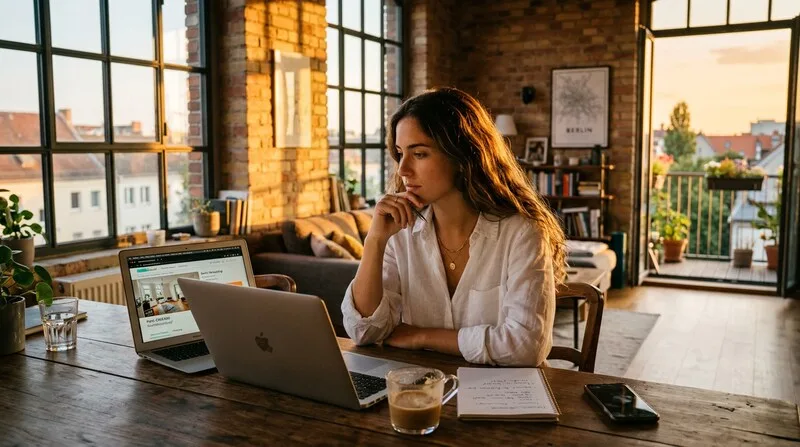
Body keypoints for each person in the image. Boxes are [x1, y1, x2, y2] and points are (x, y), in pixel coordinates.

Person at [341, 87, 566, 366]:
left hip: (503, 396)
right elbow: (363, 330)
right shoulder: (400, 233)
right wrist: (375, 241)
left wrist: (423, 337)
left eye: (420, 154)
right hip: (421, 391)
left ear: (462, 156)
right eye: (400, 154)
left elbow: (526, 346)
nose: (403, 170)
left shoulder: (522, 232)